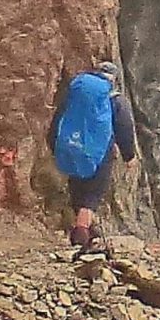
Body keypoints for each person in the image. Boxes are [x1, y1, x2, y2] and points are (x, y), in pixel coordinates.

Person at [50, 59, 137, 252]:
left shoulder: (75, 93)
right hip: (99, 153)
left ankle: (88, 231)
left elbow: (59, 118)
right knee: (92, 194)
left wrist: (54, 145)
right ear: (113, 79)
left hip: (72, 147)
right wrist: (129, 155)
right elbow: (124, 126)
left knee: (77, 188)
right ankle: (80, 236)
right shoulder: (114, 98)